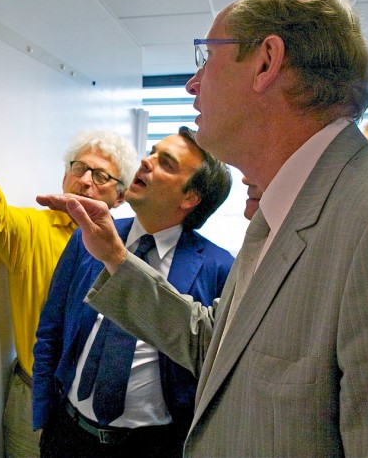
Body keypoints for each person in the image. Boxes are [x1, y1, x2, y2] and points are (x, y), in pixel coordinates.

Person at [36, 0, 368, 455]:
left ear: (266, 62)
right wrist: (114, 256)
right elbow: (216, 346)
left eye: (206, 58)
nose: (192, 84)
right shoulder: (280, 211)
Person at [0, 96, 138, 457]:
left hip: (101, 415)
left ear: (120, 196)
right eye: (79, 168)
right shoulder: (35, 228)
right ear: (65, 175)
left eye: (101, 176)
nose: (85, 181)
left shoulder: (130, 251)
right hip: (34, 396)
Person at [32, 128, 234, 457]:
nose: (146, 161)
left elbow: (213, 367)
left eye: (166, 163)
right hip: (67, 434)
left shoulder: (219, 268)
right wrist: (45, 417)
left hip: (153, 446)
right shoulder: (90, 237)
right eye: (152, 152)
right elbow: (51, 329)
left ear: (190, 198)